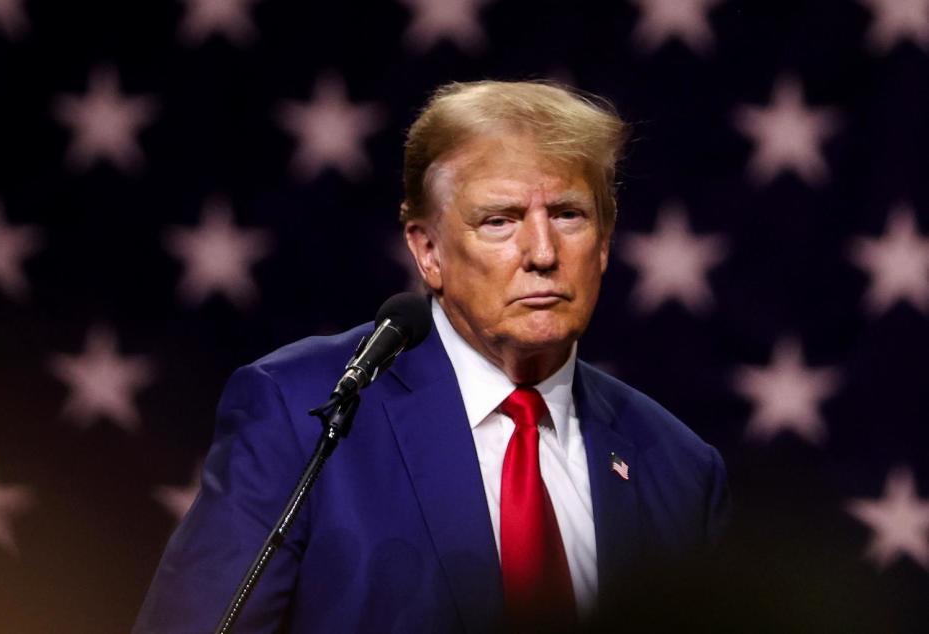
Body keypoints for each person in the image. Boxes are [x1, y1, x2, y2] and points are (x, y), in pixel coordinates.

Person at [135, 80, 729, 633]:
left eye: (569, 215)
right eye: (500, 221)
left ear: (604, 241)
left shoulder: (677, 469)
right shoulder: (306, 414)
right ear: (428, 252)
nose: (543, 252)